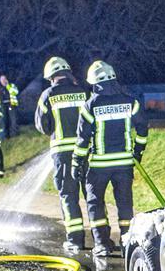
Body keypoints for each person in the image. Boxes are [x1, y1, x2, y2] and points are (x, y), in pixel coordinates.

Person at [73, 59, 147, 256]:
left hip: (98, 166)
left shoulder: (90, 105)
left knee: (94, 203)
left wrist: (77, 162)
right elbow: (142, 129)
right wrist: (137, 152)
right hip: (124, 164)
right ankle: (127, 244)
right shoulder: (131, 101)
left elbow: (82, 139)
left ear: (95, 83)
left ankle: (102, 244)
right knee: (124, 205)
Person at [35, 56, 89, 252]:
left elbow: (43, 126)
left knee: (68, 195)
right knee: (91, 195)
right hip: (86, 152)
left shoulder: (47, 95)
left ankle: (75, 240)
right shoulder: (83, 91)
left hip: (63, 153)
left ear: (51, 77)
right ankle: (101, 240)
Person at [0, 73, 20, 137]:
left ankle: (15, 135)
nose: (3, 81)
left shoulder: (11, 85)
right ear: (0, 80)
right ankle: (6, 136)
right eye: (2, 79)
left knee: (13, 120)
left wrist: (8, 86)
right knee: (5, 120)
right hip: (2, 105)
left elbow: (16, 92)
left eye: (4, 79)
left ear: (7, 79)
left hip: (11, 104)